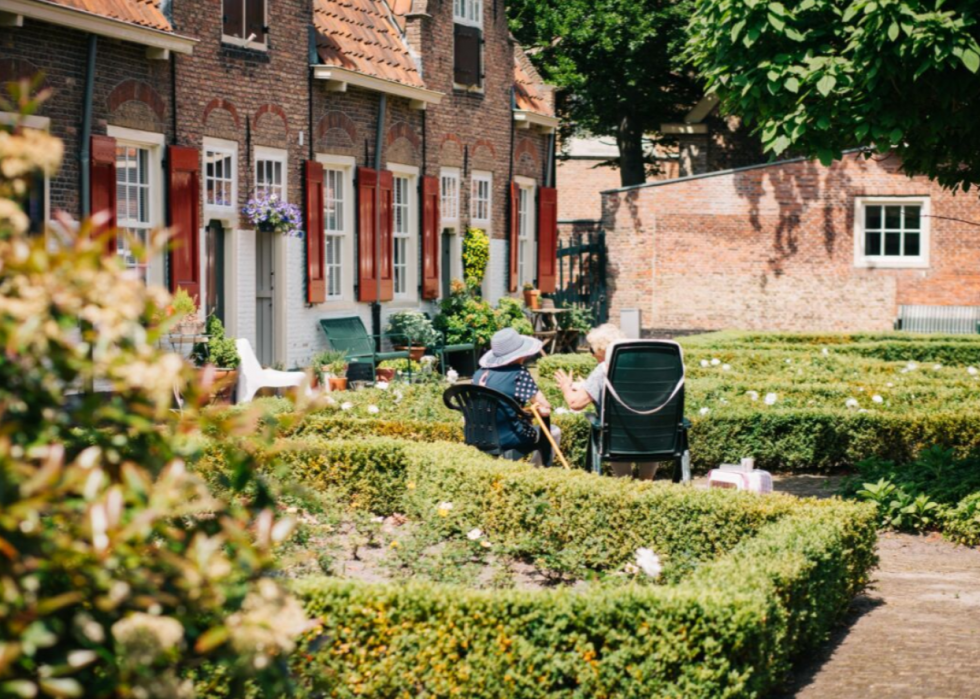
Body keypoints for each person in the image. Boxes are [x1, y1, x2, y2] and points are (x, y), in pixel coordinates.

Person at [554, 323, 658, 480]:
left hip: (618, 436)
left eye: (591, 349)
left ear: (601, 350)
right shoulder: (646, 367)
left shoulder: (603, 368)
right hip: (654, 434)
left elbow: (575, 404)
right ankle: (646, 482)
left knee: (611, 428)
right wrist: (588, 386)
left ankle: (626, 482)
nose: (591, 354)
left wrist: (565, 387)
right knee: (643, 426)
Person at [473, 327, 561, 466]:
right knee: (554, 432)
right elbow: (544, 405)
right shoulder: (518, 374)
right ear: (520, 354)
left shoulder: (478, 374)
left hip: (477, 436)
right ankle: (536, 472)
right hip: (507, 437)